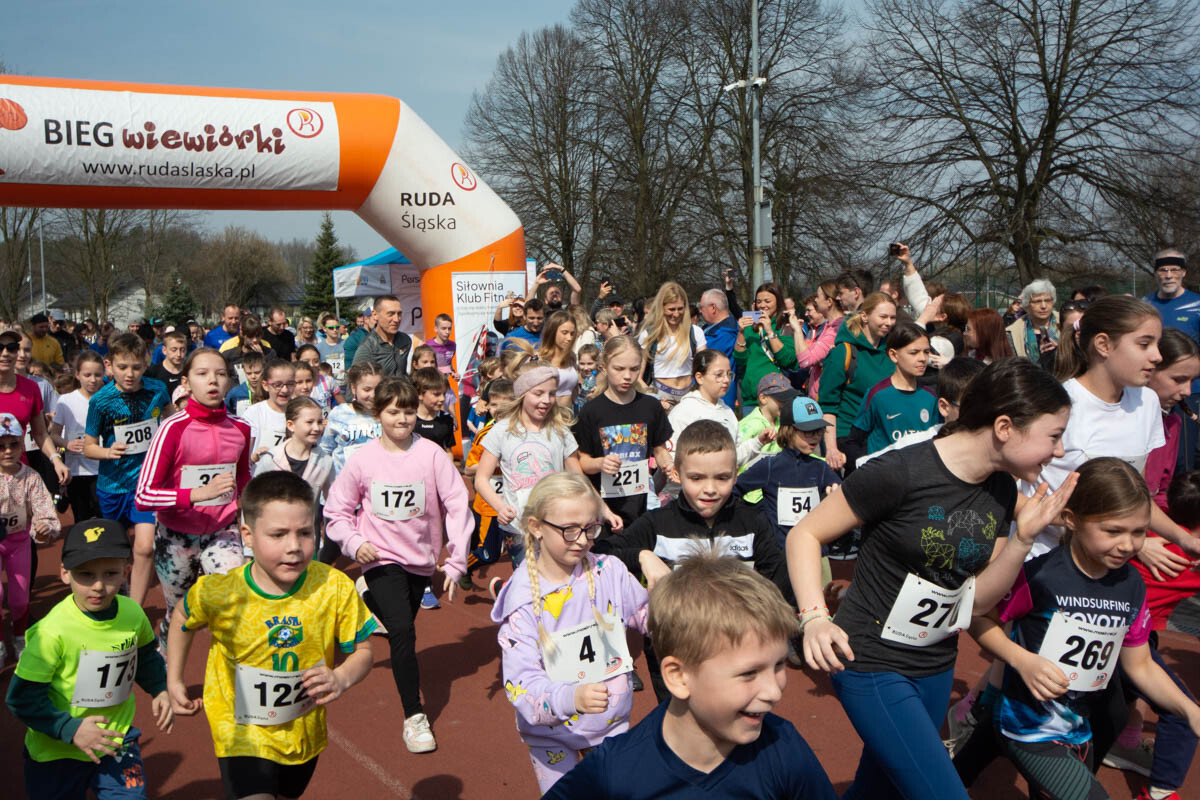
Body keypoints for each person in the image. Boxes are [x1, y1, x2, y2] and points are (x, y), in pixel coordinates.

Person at [787, 359, 1078, 800]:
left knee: (881, 791)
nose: (1059, 451)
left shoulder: (1001, 488)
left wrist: (1023, 540)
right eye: (1054, 436)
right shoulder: (900, 471)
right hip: (870, 660)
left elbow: (978, 602)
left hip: (936, 664)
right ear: (1004, 427)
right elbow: (805, 534)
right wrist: (814, 617)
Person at [968, 458, 1200, 800]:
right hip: (1029, 729)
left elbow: (1141, 665)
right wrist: (1021, 660)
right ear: (1073, 520)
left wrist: (1190, 710)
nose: (1127, 544)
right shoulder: (1040, 576)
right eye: (1113, 531)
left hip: (1079, 729)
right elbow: (978, 617)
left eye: (1138, 532)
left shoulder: (1131, 583)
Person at [542, 552, 837, 799]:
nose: (773, 691)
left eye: (779, 665)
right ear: (678, 676)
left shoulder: (784, 748)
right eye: (749, 673)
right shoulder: (616, 770)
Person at [166, 472, 375, 800]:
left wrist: (341, 677)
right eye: (278, 535)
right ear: (247, 535)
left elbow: (363, 650)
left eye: (305, 533)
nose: (294, 547)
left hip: (302, 730)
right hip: (239, 733)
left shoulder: (334, 586)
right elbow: (182, 616)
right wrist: (174, 678)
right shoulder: (220, 592)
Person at [324, 378, 473, 754]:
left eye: (408, 411)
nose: (402, 419)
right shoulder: (363, 459)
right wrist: (354, 543)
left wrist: (456, 560)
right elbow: (337, 511)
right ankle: (414, 716)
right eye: (393, 412)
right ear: (378, 415)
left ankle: (368, 600)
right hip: (378, 557)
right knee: (403, 632)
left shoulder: (431, 455)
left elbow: (457, 503)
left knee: (400, 623)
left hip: (420, 560)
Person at [491, 473, 650, 792]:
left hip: (610, 726)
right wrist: (571, 697)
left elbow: (649, 617)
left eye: (591, 528)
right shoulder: (523, 602)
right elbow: (521, 684)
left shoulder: (611, 572)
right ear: (536, 526)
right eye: (570, 530)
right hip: (550, 736)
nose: (582, 540)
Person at [6, 519, 171, 799]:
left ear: (126, 571)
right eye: (85, 574)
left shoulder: (133, 614)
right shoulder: (50, 633)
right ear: (65, 573)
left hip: (116, 741)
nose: (98, 586)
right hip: (57, 753)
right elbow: (21, 698)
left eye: (110, 573)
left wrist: (159, 688)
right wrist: (70, 729)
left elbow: (144, 656)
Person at [135, 348, 251, 646]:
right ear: (186, 383)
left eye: (221, 374)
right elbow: (144, 495)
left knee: (232, 603)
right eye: (202, 374)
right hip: (176, 536)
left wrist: (249, 515)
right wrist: (199, 494)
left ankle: (227, 668)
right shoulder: (171, 429)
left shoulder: (241, 428)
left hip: (222, 530)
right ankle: (165, 658)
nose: (213, 380)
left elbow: (243, 479)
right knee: (179, 614)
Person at [81, 333, 171, 607]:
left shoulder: (157, 390)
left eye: (136, 367)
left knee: (145, 547)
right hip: (112, 486)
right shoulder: (101, 401)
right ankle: (117, 590)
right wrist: (108, 452)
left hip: (146, 484)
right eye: (122, 367)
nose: (129, 374)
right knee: (117, 551)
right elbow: (88, 447)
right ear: (109, 365)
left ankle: (135, 607)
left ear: (146, 364)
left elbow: (171, 422)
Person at [475, 365, 590, 571]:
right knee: (528, 578)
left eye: (552, 394)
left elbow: (579, 479)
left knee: (557, 577)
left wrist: (596, 510)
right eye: (538, 393)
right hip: (518, 526)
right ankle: (509, 589)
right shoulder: (501, 431)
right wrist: (500, 507)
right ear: (522, 393)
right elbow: (481, 479)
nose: (546, 400)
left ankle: (504, 588)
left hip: (556, 524)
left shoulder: (561, 431)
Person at [574, 336, 674, 528]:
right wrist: (600, 463)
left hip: (640, 505)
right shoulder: (591, 411)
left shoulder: (651, 406)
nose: (627, 376)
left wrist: (668, 464)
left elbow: (659, 449)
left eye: (634, 369)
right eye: (619, 369)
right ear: (604, 367)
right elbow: (582, 461)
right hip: (603, 509)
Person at [736, 396, 841, 551]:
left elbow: (842, 492)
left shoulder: (821, 467)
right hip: (779, 552)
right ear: (788, 431)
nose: (815, 437)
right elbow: (735, 489)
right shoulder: (769, 466)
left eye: (819, 431)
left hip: (815, 550)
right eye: (808, 431)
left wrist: (835, 492)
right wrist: (756, 523)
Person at [0, 412, 60, 663]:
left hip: (19, 542)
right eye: (1, 446)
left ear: (22, 444)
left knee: (19, 597)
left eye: (13, 444)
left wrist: (44, 527)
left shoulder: (31, 477)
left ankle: (19, 637)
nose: (7, 451)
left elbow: (44, 510)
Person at [818, 291, 898, 472]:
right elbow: (828, 405)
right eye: (883, 316)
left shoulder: (892, 352)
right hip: (850, 439)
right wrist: (831, 449)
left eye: (892, 317)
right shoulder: (843, 353)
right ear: (865, 316)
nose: (888, 322)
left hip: (884, 436)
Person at [1144, 248, 1200, 472]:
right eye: (1163, 270)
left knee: (1184, 456)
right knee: (1155, 452)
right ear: (1155, 273)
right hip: (1151, 390)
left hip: (1190, 391)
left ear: (1183, 272)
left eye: (1174, 270)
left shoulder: (1196, 304)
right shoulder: (1145, 304)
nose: (1168, 275)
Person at [849, 320, 938, 460]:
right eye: (914, 352)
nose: (922, 358)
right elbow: (854, 441)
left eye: (926, 352)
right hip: (885, 472)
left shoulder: (931, 397)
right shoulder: (877, 395)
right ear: (894, 355)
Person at [462, 378, 515, 588]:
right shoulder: (485, 434)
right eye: (493, 404)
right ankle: (463, 567)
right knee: (489, 553)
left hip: (515, 504)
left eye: (504, 405)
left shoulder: (524, 432)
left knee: (521, 553)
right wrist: (494, 464)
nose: (497, 410)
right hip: (490, 505)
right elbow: (468, 468)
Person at [669, 350, 761, 466]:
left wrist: (758, 442)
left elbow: (734, 457)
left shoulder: (727, 412)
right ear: (699, 377)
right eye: (719, 375)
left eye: (729, 374)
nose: (726, 380)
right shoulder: (683, 411)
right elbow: (671, 455)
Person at [50, 351, 104, 525]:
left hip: (104, 470)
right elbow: (53, 434)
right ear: (77, 375)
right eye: (87, 375)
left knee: (104, 517)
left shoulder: (109, 399)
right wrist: (67, 444)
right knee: (82, 519)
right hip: (77, 470)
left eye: (98, 375)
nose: (93, 380)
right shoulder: (66, 401)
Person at [637, 282, 707, 409]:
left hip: (689, 395)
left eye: (680, 309)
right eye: (671, 309)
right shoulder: (649, 335)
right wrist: (652, 397)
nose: (676, 314)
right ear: (661, 308)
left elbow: (705, 369)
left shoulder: (695, 332)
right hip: (661, 394)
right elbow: (637, 376)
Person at [732, 288, 798, 411]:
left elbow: (787, 360)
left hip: (777, 396)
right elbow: (740, 360)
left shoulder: (785, 326)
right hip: (751, 398)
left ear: (778, 302)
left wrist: (769, 331)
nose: (762, 305)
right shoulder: (750, 327)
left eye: (767, 301)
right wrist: (741, 332)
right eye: (759, 301)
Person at [243, 358, 295, 463]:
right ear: (265, 385)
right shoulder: (254, 413)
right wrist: (253, 458)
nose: (285, 390)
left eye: (290, 384)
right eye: (278, 385)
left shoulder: (301, 411)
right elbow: (244, 456)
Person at [351, 295, 413, 378]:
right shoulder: (367, 348)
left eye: (399, 314)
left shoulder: (405, 340)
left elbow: (402, 373)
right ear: (375, 315)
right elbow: (354, 380)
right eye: (390, 314)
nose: (396, 319)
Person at [697, 288, 739, 409]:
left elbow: (700, 359)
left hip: (717, 398)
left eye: (701, 307)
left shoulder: (726, 334)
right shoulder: (709, 329)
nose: (700, 311)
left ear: (713, 308)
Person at [1006, 279, 1059, 361]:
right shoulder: (1013, 333)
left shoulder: (1066, 323)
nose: (1043, 306)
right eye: (1037, 301)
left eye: (1048, 300)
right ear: (1027, 304)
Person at [539, 311, 580, 408]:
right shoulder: (539, 359)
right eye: (564, 333)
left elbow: (573, 388)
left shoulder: (571, 357)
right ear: (552, 332)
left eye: (572, 334)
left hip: (568, 413)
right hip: (548, 413)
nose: (569, 338)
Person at [412, 366, 456, 453]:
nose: (442, 398)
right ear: (419, 394)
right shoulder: (409, 419)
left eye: (444, 394)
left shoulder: (446, 419)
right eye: (436, 394)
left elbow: (448, 451)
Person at [144, 329, 187, 405]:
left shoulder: (188, 372)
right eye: (174, 350)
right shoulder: (152, 372)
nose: (178, 354)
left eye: (182, 350)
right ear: (164, 350)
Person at [223, 349, 266, 418]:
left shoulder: (269, 391)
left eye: (257, 373)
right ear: (244, 371)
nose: (253, 376)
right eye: (249, 373)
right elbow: (226, 413)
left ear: (264, 369)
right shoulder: (235, 393)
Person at [314, 312, 346, 383]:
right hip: (326, 384)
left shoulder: (346, 344)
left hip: (344, 384)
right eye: (331, 328)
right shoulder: (318, 348)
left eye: (337, 327)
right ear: (324, 329)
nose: (335, 330)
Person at [342, 302, 374, 369]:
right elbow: (349, 364)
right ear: (366, 319)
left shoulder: (381, 335)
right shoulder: (354, 338)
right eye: (375, 319)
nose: (378, 321)